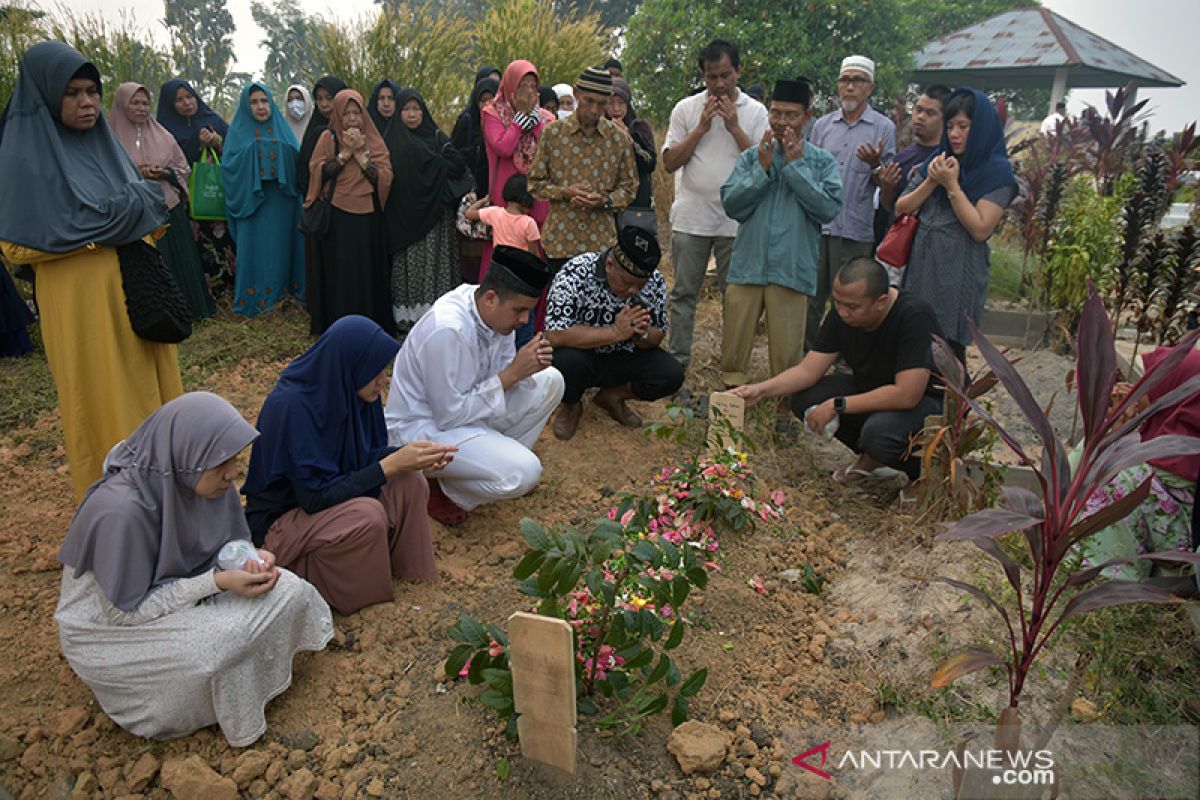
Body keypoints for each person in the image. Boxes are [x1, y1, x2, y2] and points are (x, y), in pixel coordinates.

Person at [55, 392, 333, 746]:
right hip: (112, 629)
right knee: (216, 648)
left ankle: (247, 681)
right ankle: (190, 705)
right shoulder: (119, 514)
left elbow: (227, 544)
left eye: (233, 460)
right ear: (187, 456)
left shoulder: (203, 481)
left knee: (290, 589)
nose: (232, 474)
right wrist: (216, 582)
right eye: (221, 464)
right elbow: (125, 613)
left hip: (186, 594)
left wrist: (249, 560)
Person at [0, 41, 182, 502]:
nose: (86, 103)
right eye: (73, 93)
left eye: (92, 92)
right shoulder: (22, 159)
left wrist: (122, 213)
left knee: (151, 398)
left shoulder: (107, 147)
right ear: (45, 96)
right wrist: (107, 222)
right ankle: (115, 512)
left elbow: (148, 212)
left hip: (136, 296)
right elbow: (16, 243)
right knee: (101, 405)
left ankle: (166, 496)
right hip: (80, 305)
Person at [243, 317, 449, 614]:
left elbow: (363, 457)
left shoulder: (354, 392)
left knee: (409, 480)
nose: (383, 379)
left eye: (383, 370)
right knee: (367, 514)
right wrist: (389, 464)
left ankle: (412, 577)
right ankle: (365, 605)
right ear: (349, 366)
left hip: (328, 508)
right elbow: (314, 498)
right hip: (283, 525)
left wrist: (412, 457)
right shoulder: (291, 407)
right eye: (374, 371)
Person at [385, 247, 564, 525]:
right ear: (491, 298)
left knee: (553, 380)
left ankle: (484, 469)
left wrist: (528, 368)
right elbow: (449, 415)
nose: (525, 320)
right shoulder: (449, 329)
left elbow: (497, 379)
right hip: (424, 428)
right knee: (525, 471)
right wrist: (513, 374)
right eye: (520, 310)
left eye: (529, 311)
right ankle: (447, 489)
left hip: (468, 412)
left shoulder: (494, 315)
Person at [730, 258, 943, 483]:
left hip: (928, 403)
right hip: (876, 387)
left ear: (881, 301)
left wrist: (837, 405)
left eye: (852, 307)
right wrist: (760, 390)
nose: (842, 312)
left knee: (878, 433)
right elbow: (808, 371)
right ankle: (873, 457)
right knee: (805, 398)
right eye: (837, 302)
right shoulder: (843, 313)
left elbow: (907, 395)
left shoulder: (914, 316)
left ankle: (920, 476)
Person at [719, 78, 843, 388]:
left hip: (790, 267)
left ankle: (783, 411)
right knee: (734, 348)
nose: (781, 122)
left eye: (791, 115)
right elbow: (732, 205)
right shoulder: (752, 157)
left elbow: (828, 209)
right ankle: (731, 406)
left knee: (788, 353)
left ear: (807, 117)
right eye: (776, 113)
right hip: (748, 265)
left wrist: (795, 167)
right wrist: (761, 171)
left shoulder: (821, 162)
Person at [662, 39, 770, 377]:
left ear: (739, 71)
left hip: (736, 221)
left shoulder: (755, 112)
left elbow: (763, 164)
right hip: (691, 218)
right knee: (683, 294)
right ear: (703, 75)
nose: (720, 84)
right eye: (712, 77)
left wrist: (734, 126)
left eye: (726, 75)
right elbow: (668, 163)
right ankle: (677, 365)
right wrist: (702, 128)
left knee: (735, 298)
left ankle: (732, 371)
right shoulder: (686, 109)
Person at [895, 88, 1017, 364]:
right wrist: (932, 181)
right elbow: (902, 207)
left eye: (963, 127)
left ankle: (952, 404)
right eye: (950, 127)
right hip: (923, 264)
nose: (954, 134)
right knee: (916, 337)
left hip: (959, 271)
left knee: (948, 350)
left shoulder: (996, 171)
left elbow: (980, 228)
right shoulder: (939, 159)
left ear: (981, 128)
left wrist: (951, 185)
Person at [546, 226, 682, 440]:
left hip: (624, 355)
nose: (633, 291)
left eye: (640, 286)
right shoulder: (576, 271)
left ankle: (612, 397)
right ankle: (571, 404)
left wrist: (642, 333)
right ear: (609, 265)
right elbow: (555, 334)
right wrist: (614, 332)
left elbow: (658, 335)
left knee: (671, 373)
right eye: (627, 283)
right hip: (582, 355)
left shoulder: (654, 281)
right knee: (563, 362)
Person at [1078, 347, 1200, 581]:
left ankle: (1110, 575)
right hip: (1174, 528)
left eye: (1154, 382)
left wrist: (1113, 433)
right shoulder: (1172, 434)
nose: (1140, 387)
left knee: (1117, 482)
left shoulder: (1172, 453)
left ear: (1174, 391)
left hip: (1178, 536)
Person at [805, 55, 897, 351]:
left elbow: (888, 186)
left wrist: (875, 166)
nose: (850, 87)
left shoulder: (883, 128)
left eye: (857, 81)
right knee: (811, 297)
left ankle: (845, 358)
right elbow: (810, 174)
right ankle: (807, 356)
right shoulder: (822, 126)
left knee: (850, 302)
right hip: (819, 228)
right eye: (845, 80)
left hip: (855, 228)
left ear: (870, 88)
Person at [110, 82, 214, 320]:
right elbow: (105, 174)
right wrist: (136, 173)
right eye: (134, 103)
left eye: (145, 103)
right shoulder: (110, 141)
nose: (141, 108)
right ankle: (161, 316)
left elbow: (182, 168)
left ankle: (192, 310)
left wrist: (165, 173)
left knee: (180, 260)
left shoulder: (163, 135)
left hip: (168, 207)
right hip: (133, 214)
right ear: (122, 105)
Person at [529, 66, 639, 268]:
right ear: (576, 93)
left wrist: (605, 201)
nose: (594, 110)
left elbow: (630, 188)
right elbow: (535, 184)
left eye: (601, 103)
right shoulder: (552, 134)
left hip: (601, 243)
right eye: (589, 101)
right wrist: (564, 192)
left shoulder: (619, 139)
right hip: (560, 242)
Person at [305, 89, 394, 335]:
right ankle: (338, 325)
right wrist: (345, 154)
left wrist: (362, 156)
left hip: (368, 216)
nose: (353, 118)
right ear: (338, 116)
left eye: (357, 113)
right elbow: (317, 172)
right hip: (337, 215)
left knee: (366, 272)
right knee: (340, 272)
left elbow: (385, 177)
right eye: (347, 114)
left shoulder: (373, 139)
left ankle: (368, 325)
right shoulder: (327, 138)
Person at [383, 88, 468, 338]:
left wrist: (438, 159)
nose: (411, 114)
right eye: (406, 109)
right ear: (398, 113)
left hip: (434, 217)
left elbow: (456, 167)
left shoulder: (436, 137)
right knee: (408, 266)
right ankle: (407, 321)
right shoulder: (390, 140)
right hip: (403, 218)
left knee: (435, 264)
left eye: (416, 109)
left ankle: (437, 319)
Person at [223, 82, 305, 317]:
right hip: (254, 204)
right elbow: (228, 169)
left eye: (264, 101)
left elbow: (298, 164)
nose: (260, 107)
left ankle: (285, 297)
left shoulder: (283, 130)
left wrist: (280, 153)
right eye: (254, 102)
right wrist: (253, 153)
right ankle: (256, 300)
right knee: (256, 252)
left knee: (282, 249)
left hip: (282, 203)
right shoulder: (237, 132)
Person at [157, 78, 236, 292]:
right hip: (189, 200)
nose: (187, 103)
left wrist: (217, 142)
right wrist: (198, 145)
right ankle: (210, 291)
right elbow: (171, 162)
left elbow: (236, 149)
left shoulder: (212, 120)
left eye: (190, 97)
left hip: (218, 196)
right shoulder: (163, 131)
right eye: (179, 100)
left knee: (227, 241)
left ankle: (232, 286)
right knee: (199, 246)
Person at [480, 61, 555, 278]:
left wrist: (535, 120)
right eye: (523, 85)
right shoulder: (492, 113)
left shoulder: (547, 118)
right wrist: (520, 119)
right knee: (504, 262)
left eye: (533, 86)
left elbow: (551, 149)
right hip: (507, 199)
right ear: (510, 86)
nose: (529, 92)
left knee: (535, 254)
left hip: (538, 197)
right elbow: (503, 147)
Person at [608, 77, 657, 214]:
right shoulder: (599, 129)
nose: (616, 109)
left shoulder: (639, 128)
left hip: (636, 207)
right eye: (610, 103)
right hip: (607, 205)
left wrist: (628, 138)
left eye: (621, 103)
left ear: (628, 104)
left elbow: (650, 163)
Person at [296, 76, 348, 204]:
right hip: (322, 205)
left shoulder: (356, 129)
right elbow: (304, 174)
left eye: (330, 98)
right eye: (319, 99)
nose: (324, 104)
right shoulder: (317, 132)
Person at [465, 174, 541, 253]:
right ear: (526, 201)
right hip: (520, 263)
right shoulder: (529, 223)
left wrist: (483, 200)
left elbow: (468, 213)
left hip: (499, 262)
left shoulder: (495, 213)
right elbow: (534, 253)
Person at [451, 76, 499, 197]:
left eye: (491, 99)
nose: (488, 104)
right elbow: (454, 153)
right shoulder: (467, 120)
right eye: (483, 100)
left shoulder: (506, 122)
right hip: (471, 188)